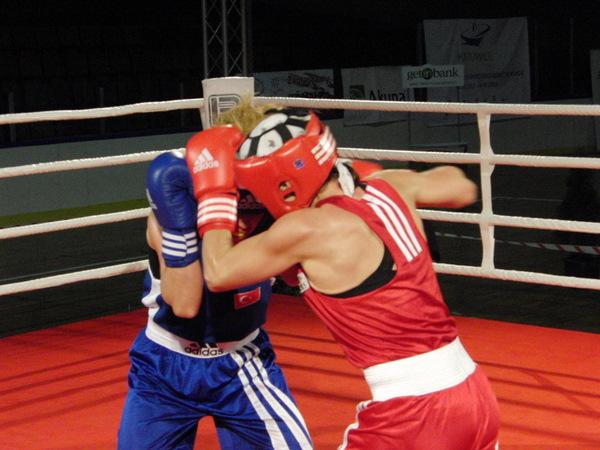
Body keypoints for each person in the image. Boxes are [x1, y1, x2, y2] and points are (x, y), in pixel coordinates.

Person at [184, 104, 501, 449]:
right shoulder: (390, 187)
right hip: (474, 394)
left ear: (284, 183)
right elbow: (461, 187)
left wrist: (215, 194)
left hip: (413, 412)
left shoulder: (306, 228)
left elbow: (218, 272)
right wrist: (371, 175)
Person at [117, 150, 313, 449]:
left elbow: (296, 279)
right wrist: (181, 229)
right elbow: (184, 304)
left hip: (242, 362)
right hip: (163, 368)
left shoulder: (274, 214)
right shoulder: (167, 218)